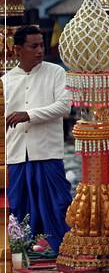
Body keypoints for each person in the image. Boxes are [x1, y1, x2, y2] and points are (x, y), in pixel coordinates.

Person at [3, 25, 72, 254]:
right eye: (34, 46)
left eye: (41, 45)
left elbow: (64, 107)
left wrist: (29, 115)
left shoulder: (56, 73)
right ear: (18, 49)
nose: (40, 50)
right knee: (18, 207)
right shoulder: (6, 81)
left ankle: (65, 252)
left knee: (58, 204)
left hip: (47, 152)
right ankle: (22, 255)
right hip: (16, 154)